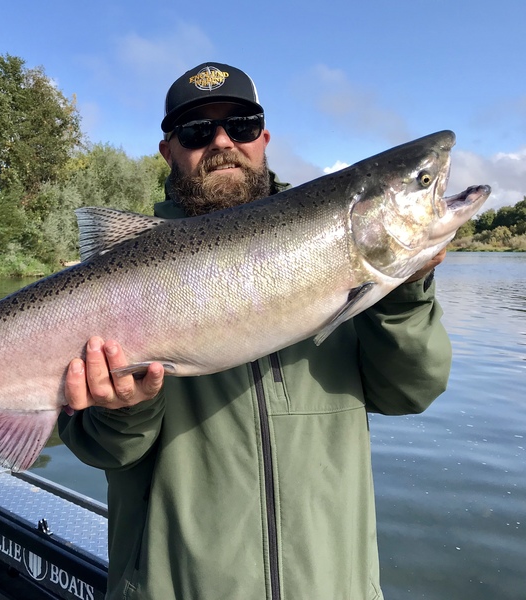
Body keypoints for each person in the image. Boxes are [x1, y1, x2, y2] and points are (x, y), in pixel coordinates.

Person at [57, 62, 451, 600]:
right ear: (167, 151)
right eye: (196, 131)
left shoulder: (345, 269)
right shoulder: (117, 277)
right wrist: (122, 409)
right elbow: (102, 452)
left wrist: (403, 290)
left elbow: (411, 392)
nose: (222, 141)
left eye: (240, 125)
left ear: (264, 138)